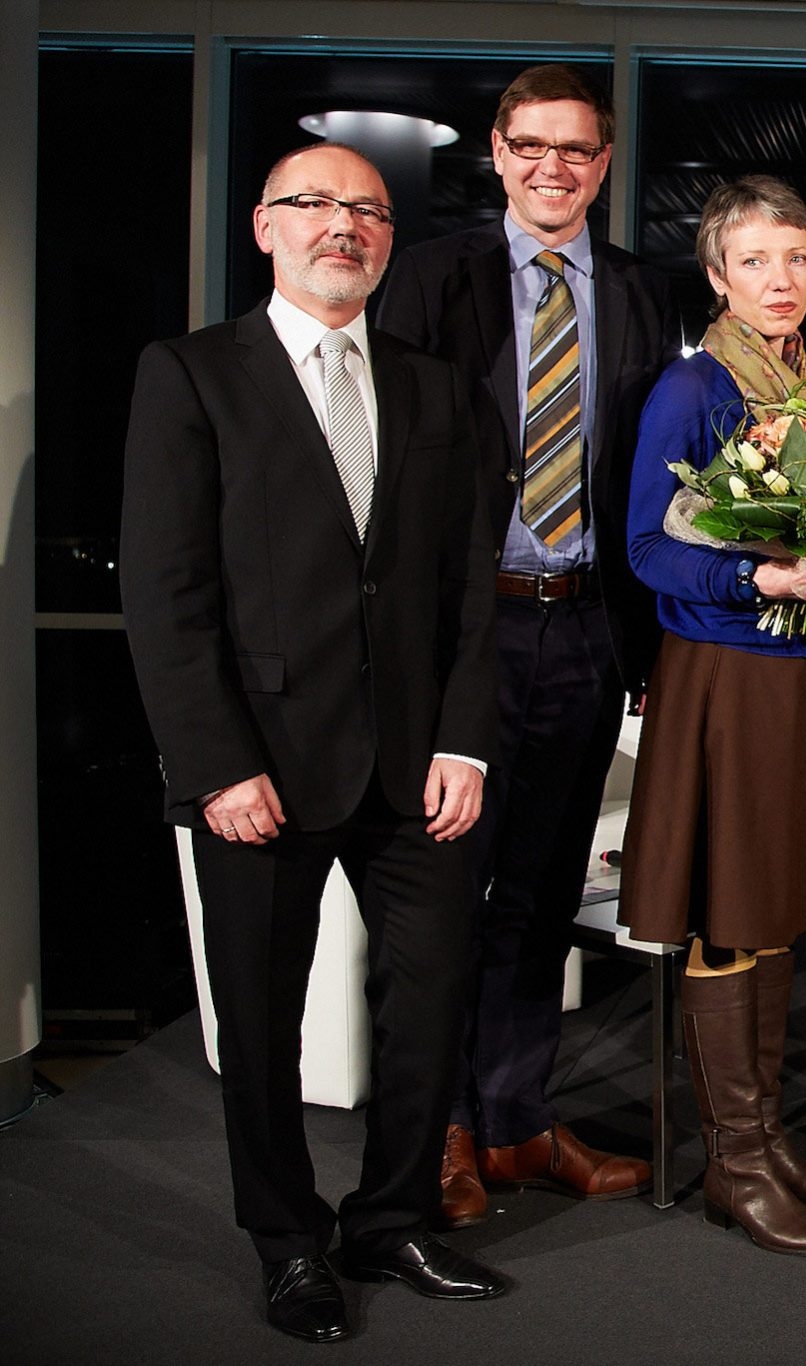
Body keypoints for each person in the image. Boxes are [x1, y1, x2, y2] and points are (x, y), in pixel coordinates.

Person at [120, 143, 505, 1343]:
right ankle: (288, 1243)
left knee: (430, 1003)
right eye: (316, 205)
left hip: (415, 768)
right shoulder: (190, 376)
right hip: (262, 769)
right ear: (265, 226)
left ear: (390, 240)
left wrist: (466, 742)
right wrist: (214, 764)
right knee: (258, 1015)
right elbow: (166, 591)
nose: (344, 225)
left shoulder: (437, 388)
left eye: (368, 211)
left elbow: (466, 593)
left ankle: (388, 1219)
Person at [377, 63, 680, 1226]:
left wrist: (646, 642)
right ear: (498, 154)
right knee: (445, 893)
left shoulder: (641, 292)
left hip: (586, 628)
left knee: (542, 893)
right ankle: (437, 1130)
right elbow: (393, 468)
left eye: (579, 150)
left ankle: (512, 1121)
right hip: (469, 632)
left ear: (602, 165)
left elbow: (656, 478)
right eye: (532, 146)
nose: (555, 167)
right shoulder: (430, 278)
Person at [621, 175, 806, 1257]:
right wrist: (763, 584)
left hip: (793, 675)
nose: (781, 280)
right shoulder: (694, 387)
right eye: (757, 261)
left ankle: (763, 1141)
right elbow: (647, 547)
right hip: (723, 676)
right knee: (729, 909)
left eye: (797, 259)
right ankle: (731, 1163)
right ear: (718, 276)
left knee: (768, 904)